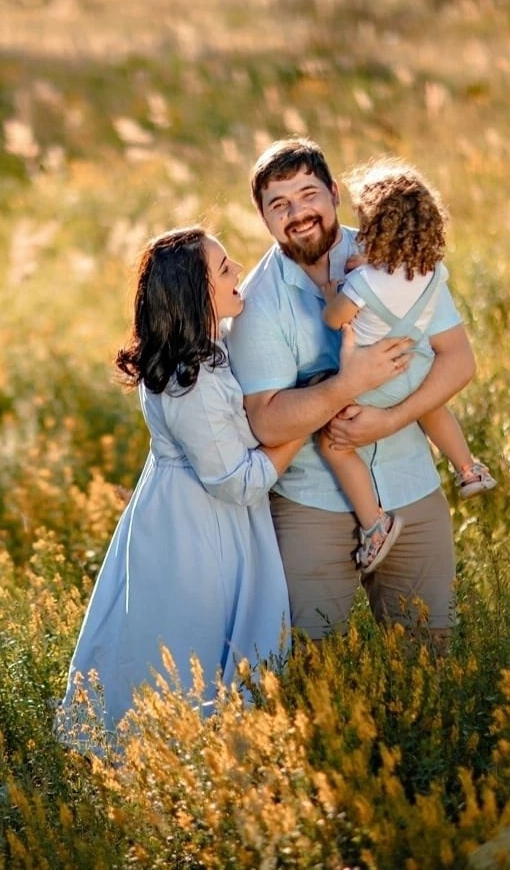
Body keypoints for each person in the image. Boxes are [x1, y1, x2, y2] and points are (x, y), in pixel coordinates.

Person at [225, 137, 477, 649]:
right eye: (280, 204)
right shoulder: (256, 303)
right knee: (312, 659)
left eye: (308, 193)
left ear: (334, 192)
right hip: (310, 503)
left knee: (431, 656)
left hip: (411, 487)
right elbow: (267, 422)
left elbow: (459, 359)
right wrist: (349, 384)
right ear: (264, 217)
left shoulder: (397, 254)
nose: (298, 213)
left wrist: (390, 420)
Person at [57, 226, 300, 747]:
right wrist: (304, 420)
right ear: (196, 292)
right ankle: (176, 762)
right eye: (224, 268)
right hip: (195, 532)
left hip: (182, 515)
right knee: (186, 645)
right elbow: (237, 483)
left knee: (179, 645)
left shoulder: (201, 355)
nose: (238, 274)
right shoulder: (190, 382)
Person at [316, 159, 497, 576]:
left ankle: (375, 524)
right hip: (413, 371)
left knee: (335, 445)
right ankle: (468, 468)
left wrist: (333, 291)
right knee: (432, 409)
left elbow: (335, 318)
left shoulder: (364, 283)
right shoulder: (432, 272)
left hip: (369, 381)